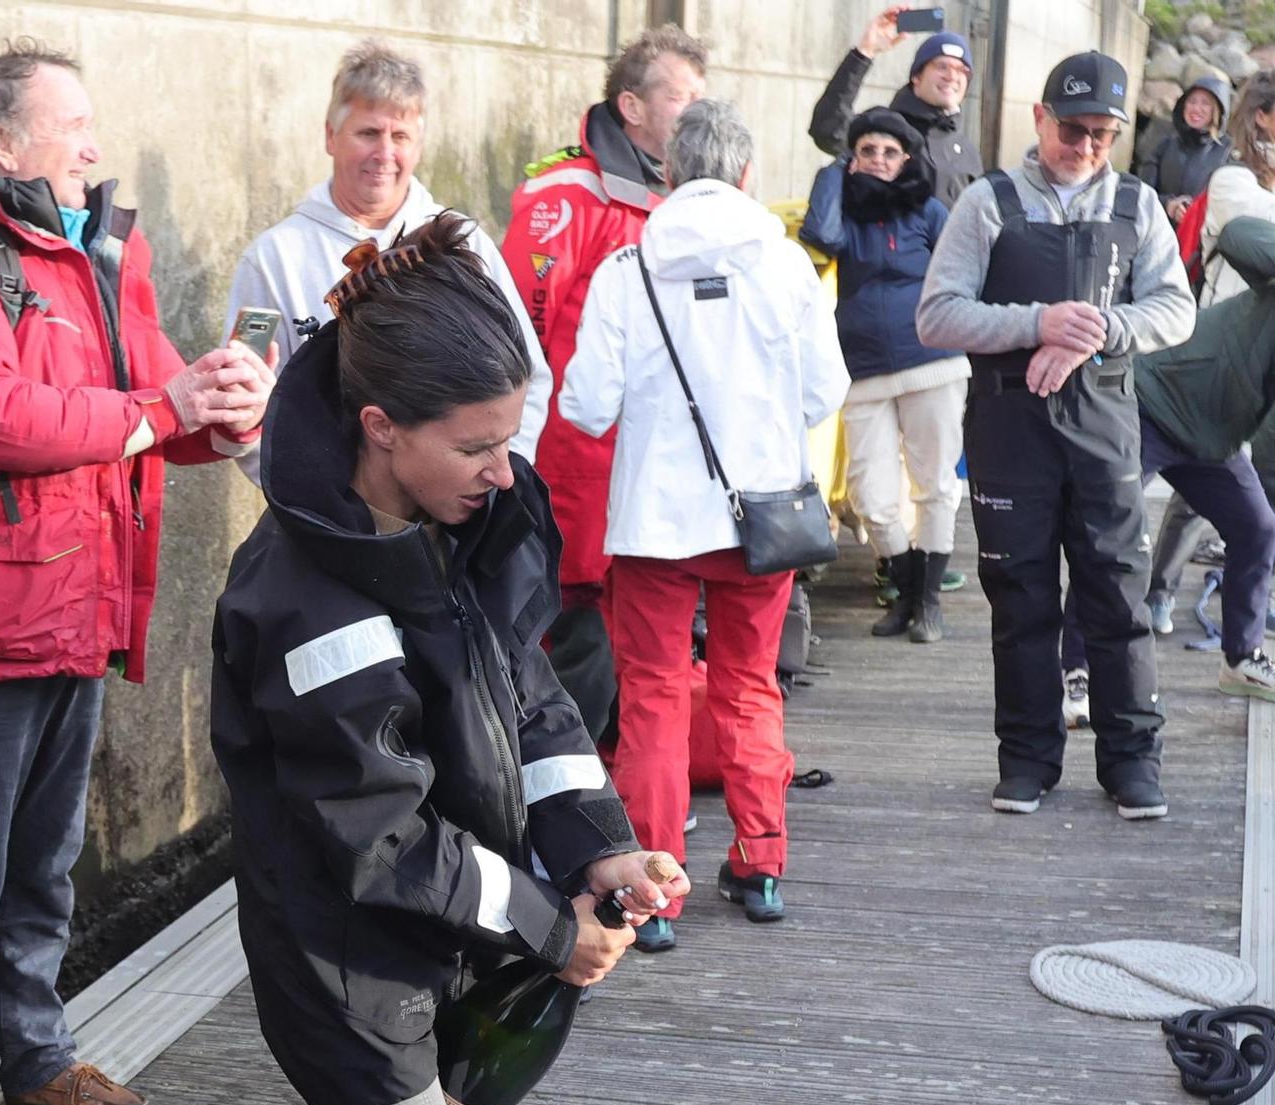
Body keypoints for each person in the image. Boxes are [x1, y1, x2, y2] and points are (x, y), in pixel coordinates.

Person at [212, 215, 686, 1105]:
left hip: (453, 936)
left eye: (508, 442)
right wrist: (552, 926)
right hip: (347, 953)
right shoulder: (305, 596)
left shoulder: (444, 517)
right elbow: (380, 840)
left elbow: (522, 690)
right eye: (476, 448)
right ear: (379, 428)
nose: (502, 473)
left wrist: (594, 839)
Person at [0, 41, 273, 1105]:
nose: (96, 145)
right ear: (3, 144)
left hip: (68, 604)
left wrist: (217, 405)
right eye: (73, 123)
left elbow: (146, 405)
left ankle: (36, 1054)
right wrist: (163, 404)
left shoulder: (92, 256)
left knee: (42, 865)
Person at [561, 100, 848, 938]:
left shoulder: (630, 267)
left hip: (655, 524)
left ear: (670, 172)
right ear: (749, 174)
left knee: (651, 700)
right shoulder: (787, 264)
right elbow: (824, 392)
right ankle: (760, 866)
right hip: (763, 522)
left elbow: (584, 405)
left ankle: (654, 895)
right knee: (749, 688)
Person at [915, 51, 1194, 820]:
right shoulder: (989, 203)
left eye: (1105, 135)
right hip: (1010, 426)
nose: (1087, 149)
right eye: (1073, 130)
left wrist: (1098, 328)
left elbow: (1176, 310)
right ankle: (1029, 759)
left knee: (1116, 591)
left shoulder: (1137, 206)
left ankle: (1132, 760)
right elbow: (936, 314)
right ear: (1040, 118)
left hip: (1104, 420)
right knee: (1021, 595)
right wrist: (1036, 323)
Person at [498, 25, 707, 742]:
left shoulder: (683, 196)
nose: (694, 114)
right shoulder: (565, 196)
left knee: (642, 641)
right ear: (632, 107)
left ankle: (624, 791)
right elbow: (519, 334)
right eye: (680, 99)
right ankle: (569, 798)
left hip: (649, 466)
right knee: (577, 636)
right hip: (574, 469)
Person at [223, 40, 550, 481]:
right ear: (330, 136)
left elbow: (528, 375)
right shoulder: (272, 259)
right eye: (368, 133)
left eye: (401, 137)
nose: (385, 154)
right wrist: (312, 502)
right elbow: (240, 401)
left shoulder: (465, 244)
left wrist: (489, 486)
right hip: (327, 523)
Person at [1058, 217, 1275, 706]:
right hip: (1151, 402)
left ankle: (1241, 658)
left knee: (1257, 527)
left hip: (1213, 439)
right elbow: (1237, 234)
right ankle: (1077, 669)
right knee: (1111, 535)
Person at [802, 107, 968, 644]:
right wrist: (833, 172)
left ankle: (926, 603)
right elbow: (821, 236)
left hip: (932, 361)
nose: (877, 160)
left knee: (934, 484)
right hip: (864, 369)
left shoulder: (928, 212)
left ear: (907, 160)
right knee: (870, 493)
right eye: (866, 150)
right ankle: (903, 578)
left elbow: (963, 271)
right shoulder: (843, 210)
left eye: (889, 152)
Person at [1146, 72, 1275, 635]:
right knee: (1198, 488)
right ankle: (1158, 589)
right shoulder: (1233, 180)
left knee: (1252, 501)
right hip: (1220, 353)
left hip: (1264, 360)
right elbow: (1252, 234)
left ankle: (1250, 617)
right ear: (1262, 117)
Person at [809, 10, 982, 207]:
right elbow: (829, 131)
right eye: (941, 66)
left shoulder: (967, 150)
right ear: (916, 77)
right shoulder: (885, 128)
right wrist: (865, 52)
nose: (951, 76)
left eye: (962, 70)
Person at [1140, 73, 1232, 223]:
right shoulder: (1164, 145)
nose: (1196, 108)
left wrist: (1194, 211)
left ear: (1217, 110)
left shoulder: (1228, 153)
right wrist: (1168, 205)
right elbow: (1142, 192)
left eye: (1205, 103)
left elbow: (1229, 204)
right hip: (1161, 230)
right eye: (1192, 101)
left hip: (1202, 236)